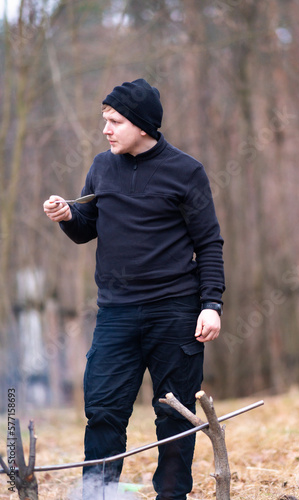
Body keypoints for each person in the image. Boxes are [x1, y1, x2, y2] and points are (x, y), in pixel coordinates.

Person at [43, 78, 225, 500]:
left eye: (115, 121)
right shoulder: (102, 166)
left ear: (142, 126)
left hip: (176, 313)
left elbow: (209, 243)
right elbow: (88, 229)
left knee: (174, 416)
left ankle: (171, 496)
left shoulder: (186, 171)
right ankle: (99, 495)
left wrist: (211, 303)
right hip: (116, 314)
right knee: (103, 410)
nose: (106, 129)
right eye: (104, 120)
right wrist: (67, 214)